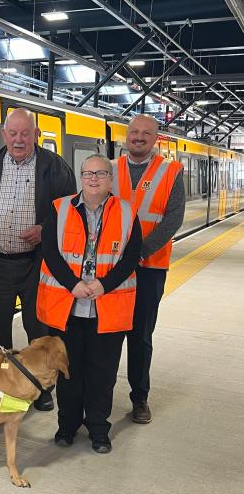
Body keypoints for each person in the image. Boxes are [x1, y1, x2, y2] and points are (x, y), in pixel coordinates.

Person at [0, 107, 76, 411]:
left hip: (37, 264)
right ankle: (6, 388)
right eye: (13, 133)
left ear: (36, 135)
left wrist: (45, 228)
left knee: (38, 329)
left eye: (25, 133)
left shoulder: (56, 167)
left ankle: (41, 388)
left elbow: (69, 213)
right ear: (4, 135)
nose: (18, 139)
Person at [37, 154, 142, 453]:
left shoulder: (126, 212)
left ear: (110, 179)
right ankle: (66, 426)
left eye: (100, 173)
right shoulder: (59, 208)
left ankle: (98, 429)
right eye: (87, 173)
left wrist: (103, 285)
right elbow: (50, 252)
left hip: (107, 309)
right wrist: (74, 285)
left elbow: (131, 257)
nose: (93, 178)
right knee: (68, 371)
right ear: (80, 177)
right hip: (68, 307)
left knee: (102, 374)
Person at [111, 114, 185, 424]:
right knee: (109, 333)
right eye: (134, 132)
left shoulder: (171, 171)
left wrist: (139, 252)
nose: (139, 137)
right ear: (126, 136)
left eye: (146, 133)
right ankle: (102, 393)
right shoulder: (110, 169)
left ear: (156, 139)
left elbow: (173, 218)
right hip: (110, 268)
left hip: (149, 268)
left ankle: (139, 398)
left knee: (140, 336)